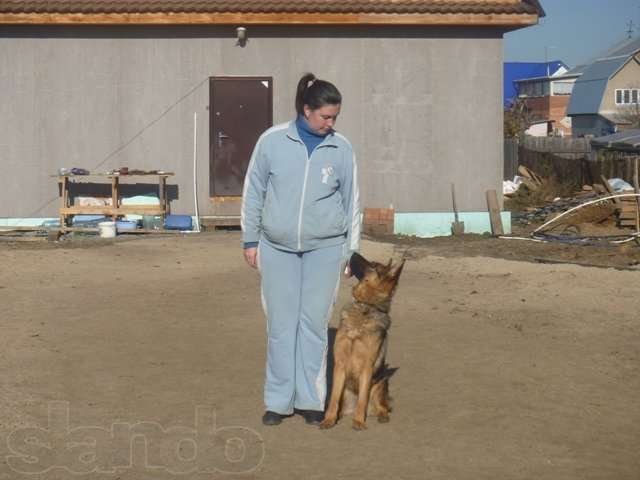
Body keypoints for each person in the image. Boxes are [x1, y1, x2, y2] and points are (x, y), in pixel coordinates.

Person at [241, 72, 361, 426]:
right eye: (325, 116)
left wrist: (351, 251)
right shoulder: (272, 141)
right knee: (281, 325)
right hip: (276, 248)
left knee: (313, 324)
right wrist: (250, 239)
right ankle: (278, 401)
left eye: (335, 117)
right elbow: (254, 192)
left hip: (325, 250)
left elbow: (352, 201)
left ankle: (310, 398)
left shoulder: (341, 148)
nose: (331, 123)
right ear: (306, 110)